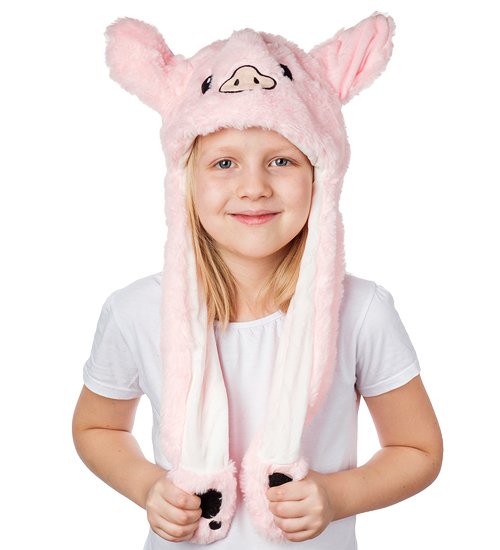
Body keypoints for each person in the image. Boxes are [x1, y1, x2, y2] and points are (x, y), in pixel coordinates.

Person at [72, 13, 443, 550]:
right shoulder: (136, 312)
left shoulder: (361, 311)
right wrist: (147, 486)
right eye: (224, 163)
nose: (254, 187)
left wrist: (338, 495)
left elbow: (418, 448)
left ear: (321, 175)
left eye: (281, 160)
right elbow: (97, 427)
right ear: (185, 181)